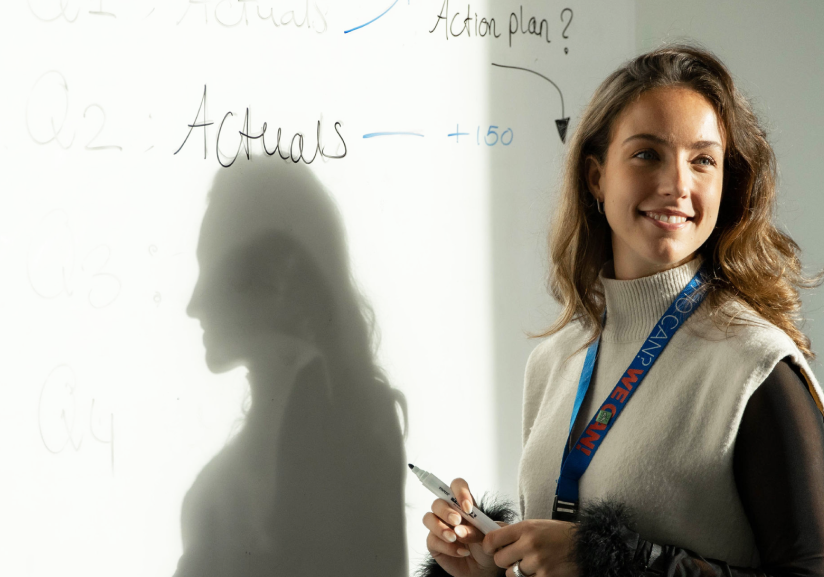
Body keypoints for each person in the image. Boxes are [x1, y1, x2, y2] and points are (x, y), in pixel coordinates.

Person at [418, 45, 824, 577]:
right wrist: (490, 562)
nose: (678, 184)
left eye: (703, 160)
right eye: (647, 154)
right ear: (595, 177)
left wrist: (617, 562)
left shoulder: (756, 365)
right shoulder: (554, 362)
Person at [174, 157, 408, 577]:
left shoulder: (346, 429)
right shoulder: (340, 423)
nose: (194, 304)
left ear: (279, 274)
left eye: (212, 267)